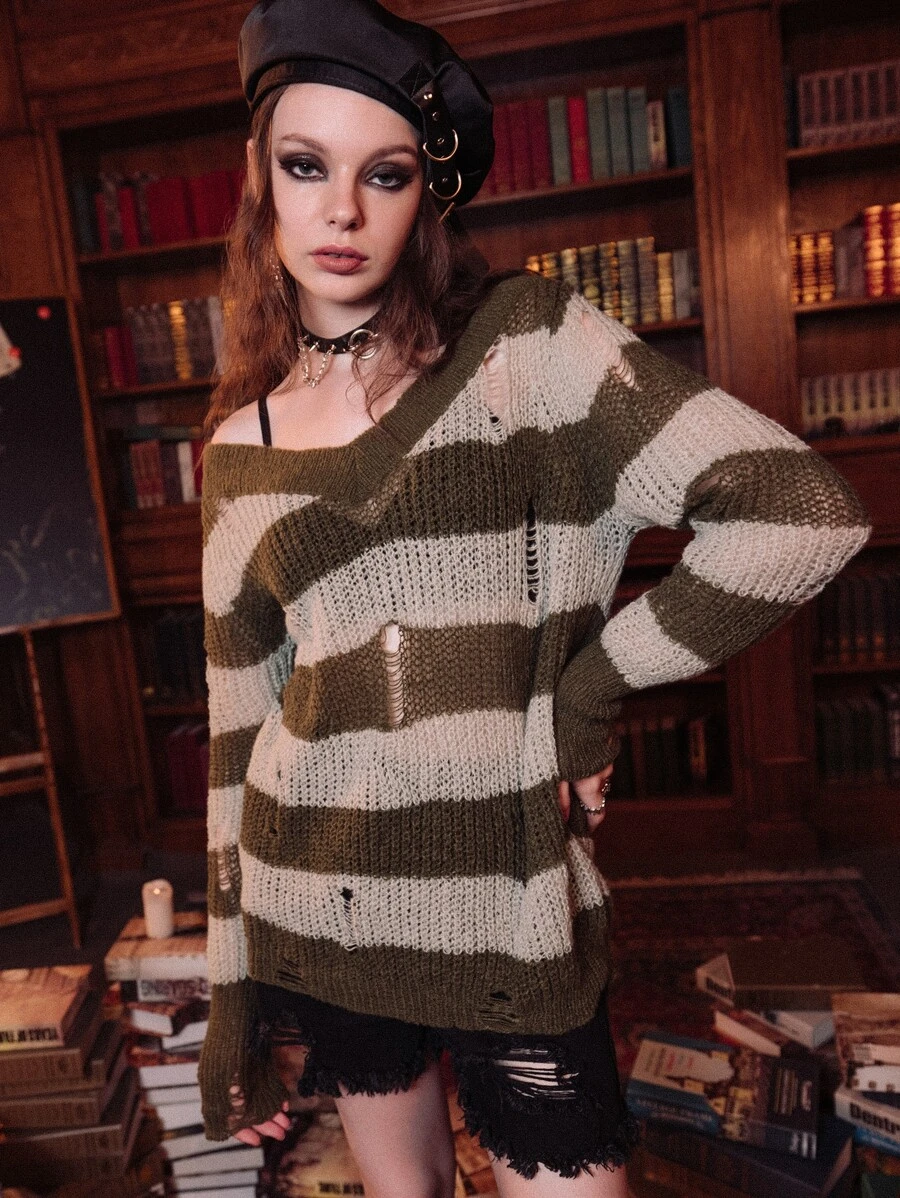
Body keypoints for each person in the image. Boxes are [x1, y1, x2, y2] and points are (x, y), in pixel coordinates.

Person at [196, 1, 871, 1194]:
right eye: (306, 165)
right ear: (259, 177)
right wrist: (231, 999)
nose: (342, 210)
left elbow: (800, 510)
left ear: (427, 194)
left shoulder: (533, 349)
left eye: (385, 173)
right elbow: (238, 731)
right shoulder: (234, 452)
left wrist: (589, 690)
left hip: (510, 912)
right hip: (322, 898)